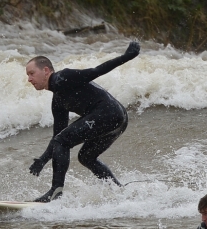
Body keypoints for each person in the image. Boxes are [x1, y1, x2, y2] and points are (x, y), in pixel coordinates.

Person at [25, 41, 141, 202]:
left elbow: (96, 71)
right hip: (119, 119)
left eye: (31, 73)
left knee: (63, 141)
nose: (29, 79)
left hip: (108, 113)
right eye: (28, 75)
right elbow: (57, 136)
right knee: (86, 156)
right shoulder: (57, 101)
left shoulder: (63, 77)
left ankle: (55, 192)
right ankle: (119, 192)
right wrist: (42, 160)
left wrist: (127, 56)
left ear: (45, 70)